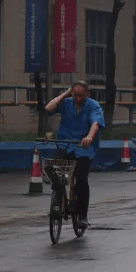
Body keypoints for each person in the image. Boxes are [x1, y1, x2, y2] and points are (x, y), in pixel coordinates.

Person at [45, 81, 105, 227]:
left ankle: (82, 215)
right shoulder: (67, 103)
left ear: (87, 94)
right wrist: (66, 94)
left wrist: (89, 137)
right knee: (53, 170)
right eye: (75, 95)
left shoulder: (93, 106)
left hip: (83, 147)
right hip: (65, 144)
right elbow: (48, 108)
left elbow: (95, 124)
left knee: (81, 180)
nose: (78, 98)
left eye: (81, 95)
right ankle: (58, 201)